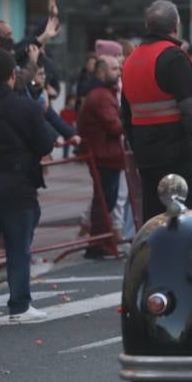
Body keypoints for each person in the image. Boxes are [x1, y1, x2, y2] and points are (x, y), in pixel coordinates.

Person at [121, 0, 192, 220]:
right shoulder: (175, 57)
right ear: (176, 25)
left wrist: (137, 148)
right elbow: (190, 109)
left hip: (145, 152)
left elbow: (126, 114)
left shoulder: (130, 60)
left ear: (147, 25)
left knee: (153, 215)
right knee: (187, 215)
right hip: (177, 153)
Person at [0, 49, 57, 321]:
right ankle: (19, 305)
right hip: (17, 182)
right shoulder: (25, 107)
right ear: (12, 74)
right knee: (18, 247)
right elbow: (44, 143)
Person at [76, 55, 126, 257]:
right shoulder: (101, 95)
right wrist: (128, 121)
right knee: (105, 201)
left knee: (107, 200)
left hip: (107, 155)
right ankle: (97, 245)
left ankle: (101, 243)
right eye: (114, 69)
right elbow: (114, 125)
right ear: (101, 72)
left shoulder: (102, 93)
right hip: (104, 155)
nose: (118, 72)